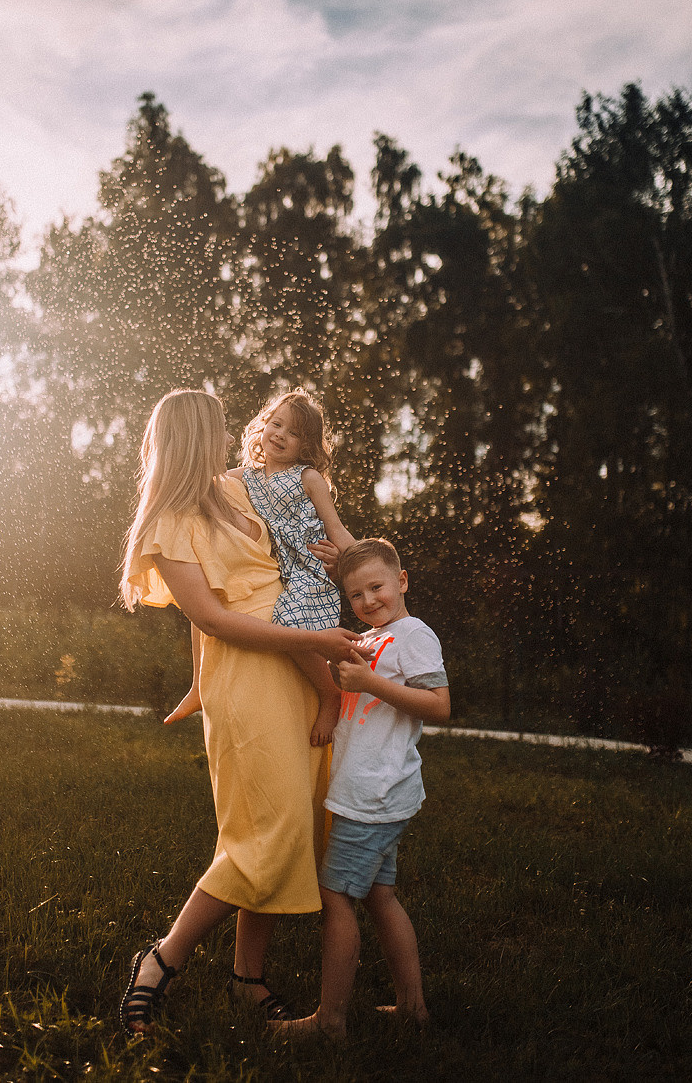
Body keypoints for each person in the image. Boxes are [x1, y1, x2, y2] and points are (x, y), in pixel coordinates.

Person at [117, 389, 361, 1037]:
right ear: (194, 436)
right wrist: (313, 645)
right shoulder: (167, 523)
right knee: (268, 831)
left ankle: (247, 978)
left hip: (298, 673)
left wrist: (335, 556)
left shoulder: (237, 491)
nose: (236, 437)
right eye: (219, 428)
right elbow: (212, 619)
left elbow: (294, 549)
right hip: (251, 675)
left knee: (293, 829)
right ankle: (162, 959)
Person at [275, 537, 451, 1040]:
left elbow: (438, 705)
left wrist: (369, 684)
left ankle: (329, 1022)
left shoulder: (413, 634)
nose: (369, 600)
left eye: (377, 587)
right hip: (377, 790)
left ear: (402, 582)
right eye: (356, 595)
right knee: (380, 895)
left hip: (372, 794)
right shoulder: (378, 636)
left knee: (336, 899)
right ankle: (414, 1009)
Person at [165, 388, 355, 745]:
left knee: (289, 621)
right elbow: (201, 480)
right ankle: (196, 684)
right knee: (209, 589)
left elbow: (337, 529)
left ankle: (330, 693)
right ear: (262, 426)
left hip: (307, 569)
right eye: (276, 423)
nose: (281, 434)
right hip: (276, 569)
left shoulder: (308, 478)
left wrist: (355, 563)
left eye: (294, 432)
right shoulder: (245, 478)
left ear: (307, 445)